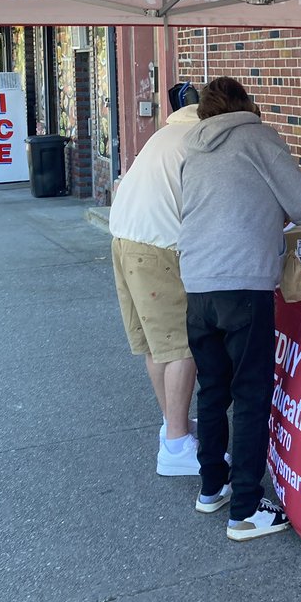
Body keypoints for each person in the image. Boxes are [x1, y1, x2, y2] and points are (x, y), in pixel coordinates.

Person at [178, 76, 301, 542]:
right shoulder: (258, 136)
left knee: (213, 390)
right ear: (247, 104)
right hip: (244, 282)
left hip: (197, 284)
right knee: (253, 393)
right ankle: (244, 510)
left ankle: (211, 487)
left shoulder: (191, 146)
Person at [109, 81, 202, 476]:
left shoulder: (166, 134)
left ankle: (173, 426)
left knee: (155, 344)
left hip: (123, 239)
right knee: (183, 345)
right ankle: (177, 448)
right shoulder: (201, 140)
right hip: (158, 246)